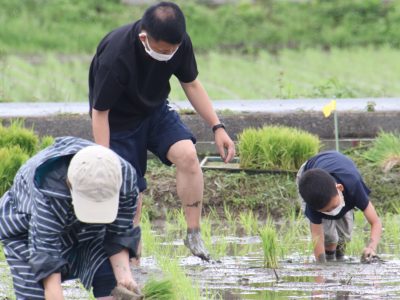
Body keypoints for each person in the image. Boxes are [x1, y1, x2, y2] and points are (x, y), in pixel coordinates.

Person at [88, 1, 235, 261]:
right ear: (145, 38)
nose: (170, 53)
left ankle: (193, 234)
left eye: (174, 49)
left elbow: (190, 83)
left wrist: (217, 126)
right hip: (118, 122)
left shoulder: (178, 41)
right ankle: (133, 264)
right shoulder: (117, 55)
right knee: (131, 194)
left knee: (188, 156)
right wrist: (105, 158)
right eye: (164, 50)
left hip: (154, 111)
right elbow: (100, 113)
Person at [0, 136, 142, 300]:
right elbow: (46, 256)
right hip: (27, 230)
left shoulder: (124, 178)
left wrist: (124, 278)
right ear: (70, 186)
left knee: (108, 278)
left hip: (89, 230)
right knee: (35, 293)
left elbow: (118, 232)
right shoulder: (49, 189)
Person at [296, 150, 382, 263]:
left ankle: (339, 258)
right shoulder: (313, 201)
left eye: (333, 206)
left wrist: (371, 248)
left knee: (344, 238)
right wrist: (321, 266)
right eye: (326, 211)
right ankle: (330, 257)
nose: (331, 212)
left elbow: (375, 222)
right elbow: (317, 237)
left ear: (340, 188)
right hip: (308, 177)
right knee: (329, 238)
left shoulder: (354, 186)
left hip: (340, 173)